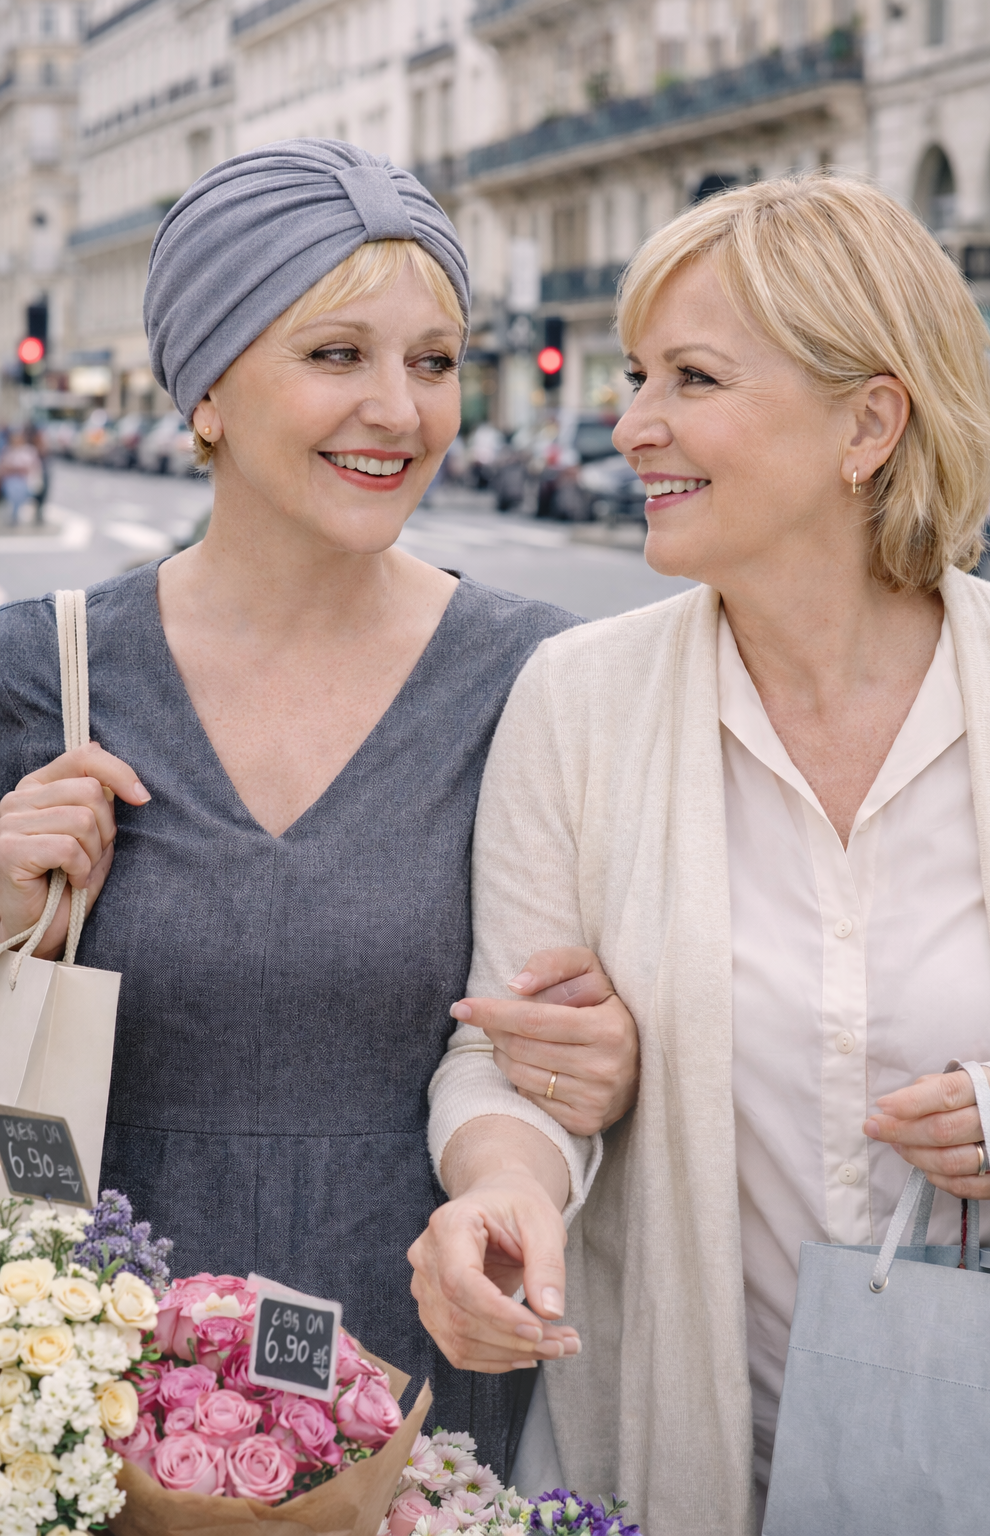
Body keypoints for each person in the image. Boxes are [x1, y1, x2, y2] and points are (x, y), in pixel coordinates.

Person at [0, 140, 637, 1477]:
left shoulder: (541, 674)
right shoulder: (38, 672)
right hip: (88, 1418)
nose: (399, 411)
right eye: (338, 355)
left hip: (425, 1417)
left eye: (435, 360)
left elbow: (599, 1032)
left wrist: (621, 1056)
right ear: (208, 389)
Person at [409, 173, 990, 1534]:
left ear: (868, 421)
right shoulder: (577, 700)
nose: (633, 427)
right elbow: (501, 1053)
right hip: (677, 1460)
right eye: (636, 376)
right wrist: (502, 1191)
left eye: (691, 377)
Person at [1, 428, 42, 526]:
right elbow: (3, 468)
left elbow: (31, 468)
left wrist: (14, 469)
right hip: (10, 481)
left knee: (20, 489)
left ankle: (15, 514)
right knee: (13, 488)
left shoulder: (30, 451)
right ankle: (14, 514)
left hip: (26, 481)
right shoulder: (8, 450)